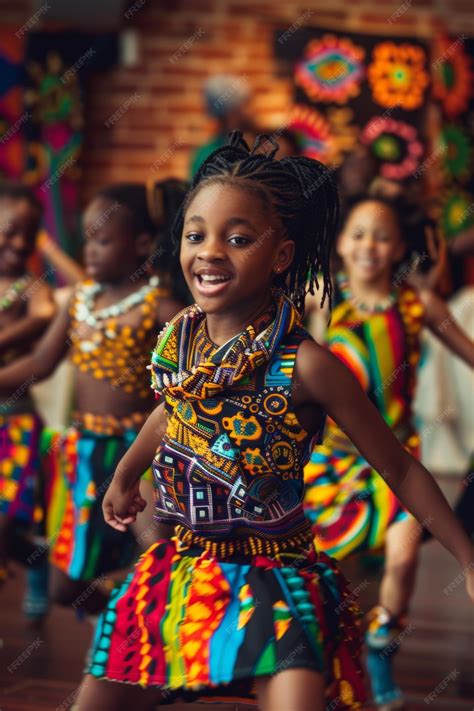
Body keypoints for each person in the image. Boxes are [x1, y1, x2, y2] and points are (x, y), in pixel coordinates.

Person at [75, 132, 472, 711]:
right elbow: (175, 410)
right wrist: (126, 473)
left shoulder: (307, 365)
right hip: (181, 568)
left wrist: (467, 555)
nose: (210, 251)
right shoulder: (180, 341)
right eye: (196, 235)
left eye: (238, 239)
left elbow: (400, 468)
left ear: (281, 256)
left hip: (276, 580)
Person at [303, 193, 474, 709]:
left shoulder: (416, 304)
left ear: (399, 246)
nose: (368, 245)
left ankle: (381, 648)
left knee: (402, 560)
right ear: (339, 244)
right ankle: (336, 660)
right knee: (334, 572)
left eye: (381, 235)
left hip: (396, 458)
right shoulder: (321, 298)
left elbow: (468, 352)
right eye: (358, 233)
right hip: (331, 460)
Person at [0, 182, 184, 617]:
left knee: (157, 545)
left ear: (141, 243)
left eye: (103, 241)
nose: (91, 253)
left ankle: (171, 640)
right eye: (88, 242)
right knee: (66, 588)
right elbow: (41, 362)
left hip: (139, 451)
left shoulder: (159, 306)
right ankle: (127, 626)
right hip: (83, 454)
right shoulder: (81, 300)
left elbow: (192, 369)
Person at [0, 182, 56, 619]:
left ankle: (36, 561)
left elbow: (44, 315)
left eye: (29, 233)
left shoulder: (29, 287)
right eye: (9, 230)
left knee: (3, 522)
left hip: (13, 424)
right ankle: (35, 557)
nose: (18, 243)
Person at [190, 74, 256, 178]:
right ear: (231, 113)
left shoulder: (203, 153)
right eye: (247, 105)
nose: (252, 112)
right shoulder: (207, 156)